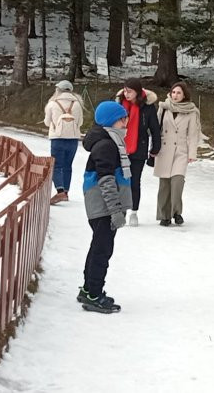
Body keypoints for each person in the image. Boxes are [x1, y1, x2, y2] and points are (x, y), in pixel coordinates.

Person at [78, 101, 133, 314]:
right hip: (102, 206)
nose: (125, 122)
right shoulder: (107, 145)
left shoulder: (110, 142)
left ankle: (87, 288)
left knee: (97, 246)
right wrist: (115, 210)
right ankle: (94, 294)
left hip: (102, 206)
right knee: (103, 249)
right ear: (111, 121)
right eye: (122, 119)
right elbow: (106, 180)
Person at [153, 81, 202, 226]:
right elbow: (156, 129)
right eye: (173, 92)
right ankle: (164, 215)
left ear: (184, 95)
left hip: (181, 151)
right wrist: (154, 148)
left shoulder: (191, 111)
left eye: (179, 93)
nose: (175, 95)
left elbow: (193, 134)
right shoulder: (164, 108)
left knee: (177, 183)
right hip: (164, 150)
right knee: (164, 185)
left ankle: (176, 212)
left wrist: (192, 153)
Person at [114, 78, 161, 226]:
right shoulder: (119, 104)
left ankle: (134, 212)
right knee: (119, 180)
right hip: (119, 147)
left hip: (138, 148)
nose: (126, 94)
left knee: (134, 182)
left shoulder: (147, 107)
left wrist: (155, 148)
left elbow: (154, 128)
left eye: (130, 91)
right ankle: (120, 211)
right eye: (125, 90)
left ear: (138, 92)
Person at [44, 80, 84, 204]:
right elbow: (80, 122)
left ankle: (59, 191)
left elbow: (46, 122)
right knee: (68, 166)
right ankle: (66, 192)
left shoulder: (52, 103)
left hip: (57, 138)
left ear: (58, 90)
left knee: (56, 166)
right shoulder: (77, 104)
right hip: (73, 139)